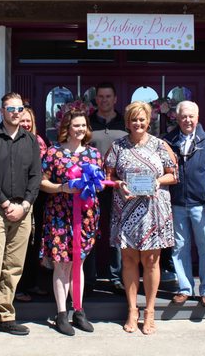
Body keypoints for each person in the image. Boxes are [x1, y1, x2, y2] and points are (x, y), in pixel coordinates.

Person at [0, 92, 42, 349]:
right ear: (1, 111)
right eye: (10, 108)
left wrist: (24, 205)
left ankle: (5, 315)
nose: (16, 112)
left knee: (13, 266)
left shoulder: (30, 140)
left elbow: (36, 175)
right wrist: (5, 203)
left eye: (20, 108)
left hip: (23, 210)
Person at [105, 101, 178, 335]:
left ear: (149, 121)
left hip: (154, 210)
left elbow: (173, 175)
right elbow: (109, 175)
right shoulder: (118, 146)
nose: (138, 123)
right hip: (125, 209)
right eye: (133, 119)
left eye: (142, 119)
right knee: (128, 261)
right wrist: (119, 184)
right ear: (127, 122)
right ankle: (131, 310)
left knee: (151, 262)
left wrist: (157, 181)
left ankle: (149, 311)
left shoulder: (160, 145)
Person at [40, 109, 102, 336]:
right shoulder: (53, 153)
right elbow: (42, 181)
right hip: (60, 214)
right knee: (61, 264)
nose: (80, 129)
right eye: (76, 125)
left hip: (85, 216)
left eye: (83, 125)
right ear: (67, 127)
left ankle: (79, 310)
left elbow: (100, 182)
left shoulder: (94, 154)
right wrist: (61, 188)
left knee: (79, 263)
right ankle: (61, 313)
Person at [163, 100, 205, 308]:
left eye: (191, 116)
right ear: (177, 118)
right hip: (177, 204)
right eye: (183, 116)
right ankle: (184, 288)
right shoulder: (168, 141)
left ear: (197, 118)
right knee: (180, 248)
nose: (187, 120)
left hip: (203, 205)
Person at [88, 82, 127, 294]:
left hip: (118, 188)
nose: (104, 100)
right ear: (96, 100)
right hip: (92, 188)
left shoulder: (125, 123)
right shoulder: (87, 123)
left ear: (115, 99)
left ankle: (116, 277)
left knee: (116, 233)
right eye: (100, 96)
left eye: (108, 96)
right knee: (91, 231)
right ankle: (90, 277)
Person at [15, 106, 48, 302]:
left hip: (38, 196)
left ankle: (32, 283)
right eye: (22, 121)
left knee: (35, 242)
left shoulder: (39, 142)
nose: (26, 124)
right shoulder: (12, 142)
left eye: (29, 121)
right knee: (21, 243)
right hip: (19, 198)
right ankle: (18, 287)